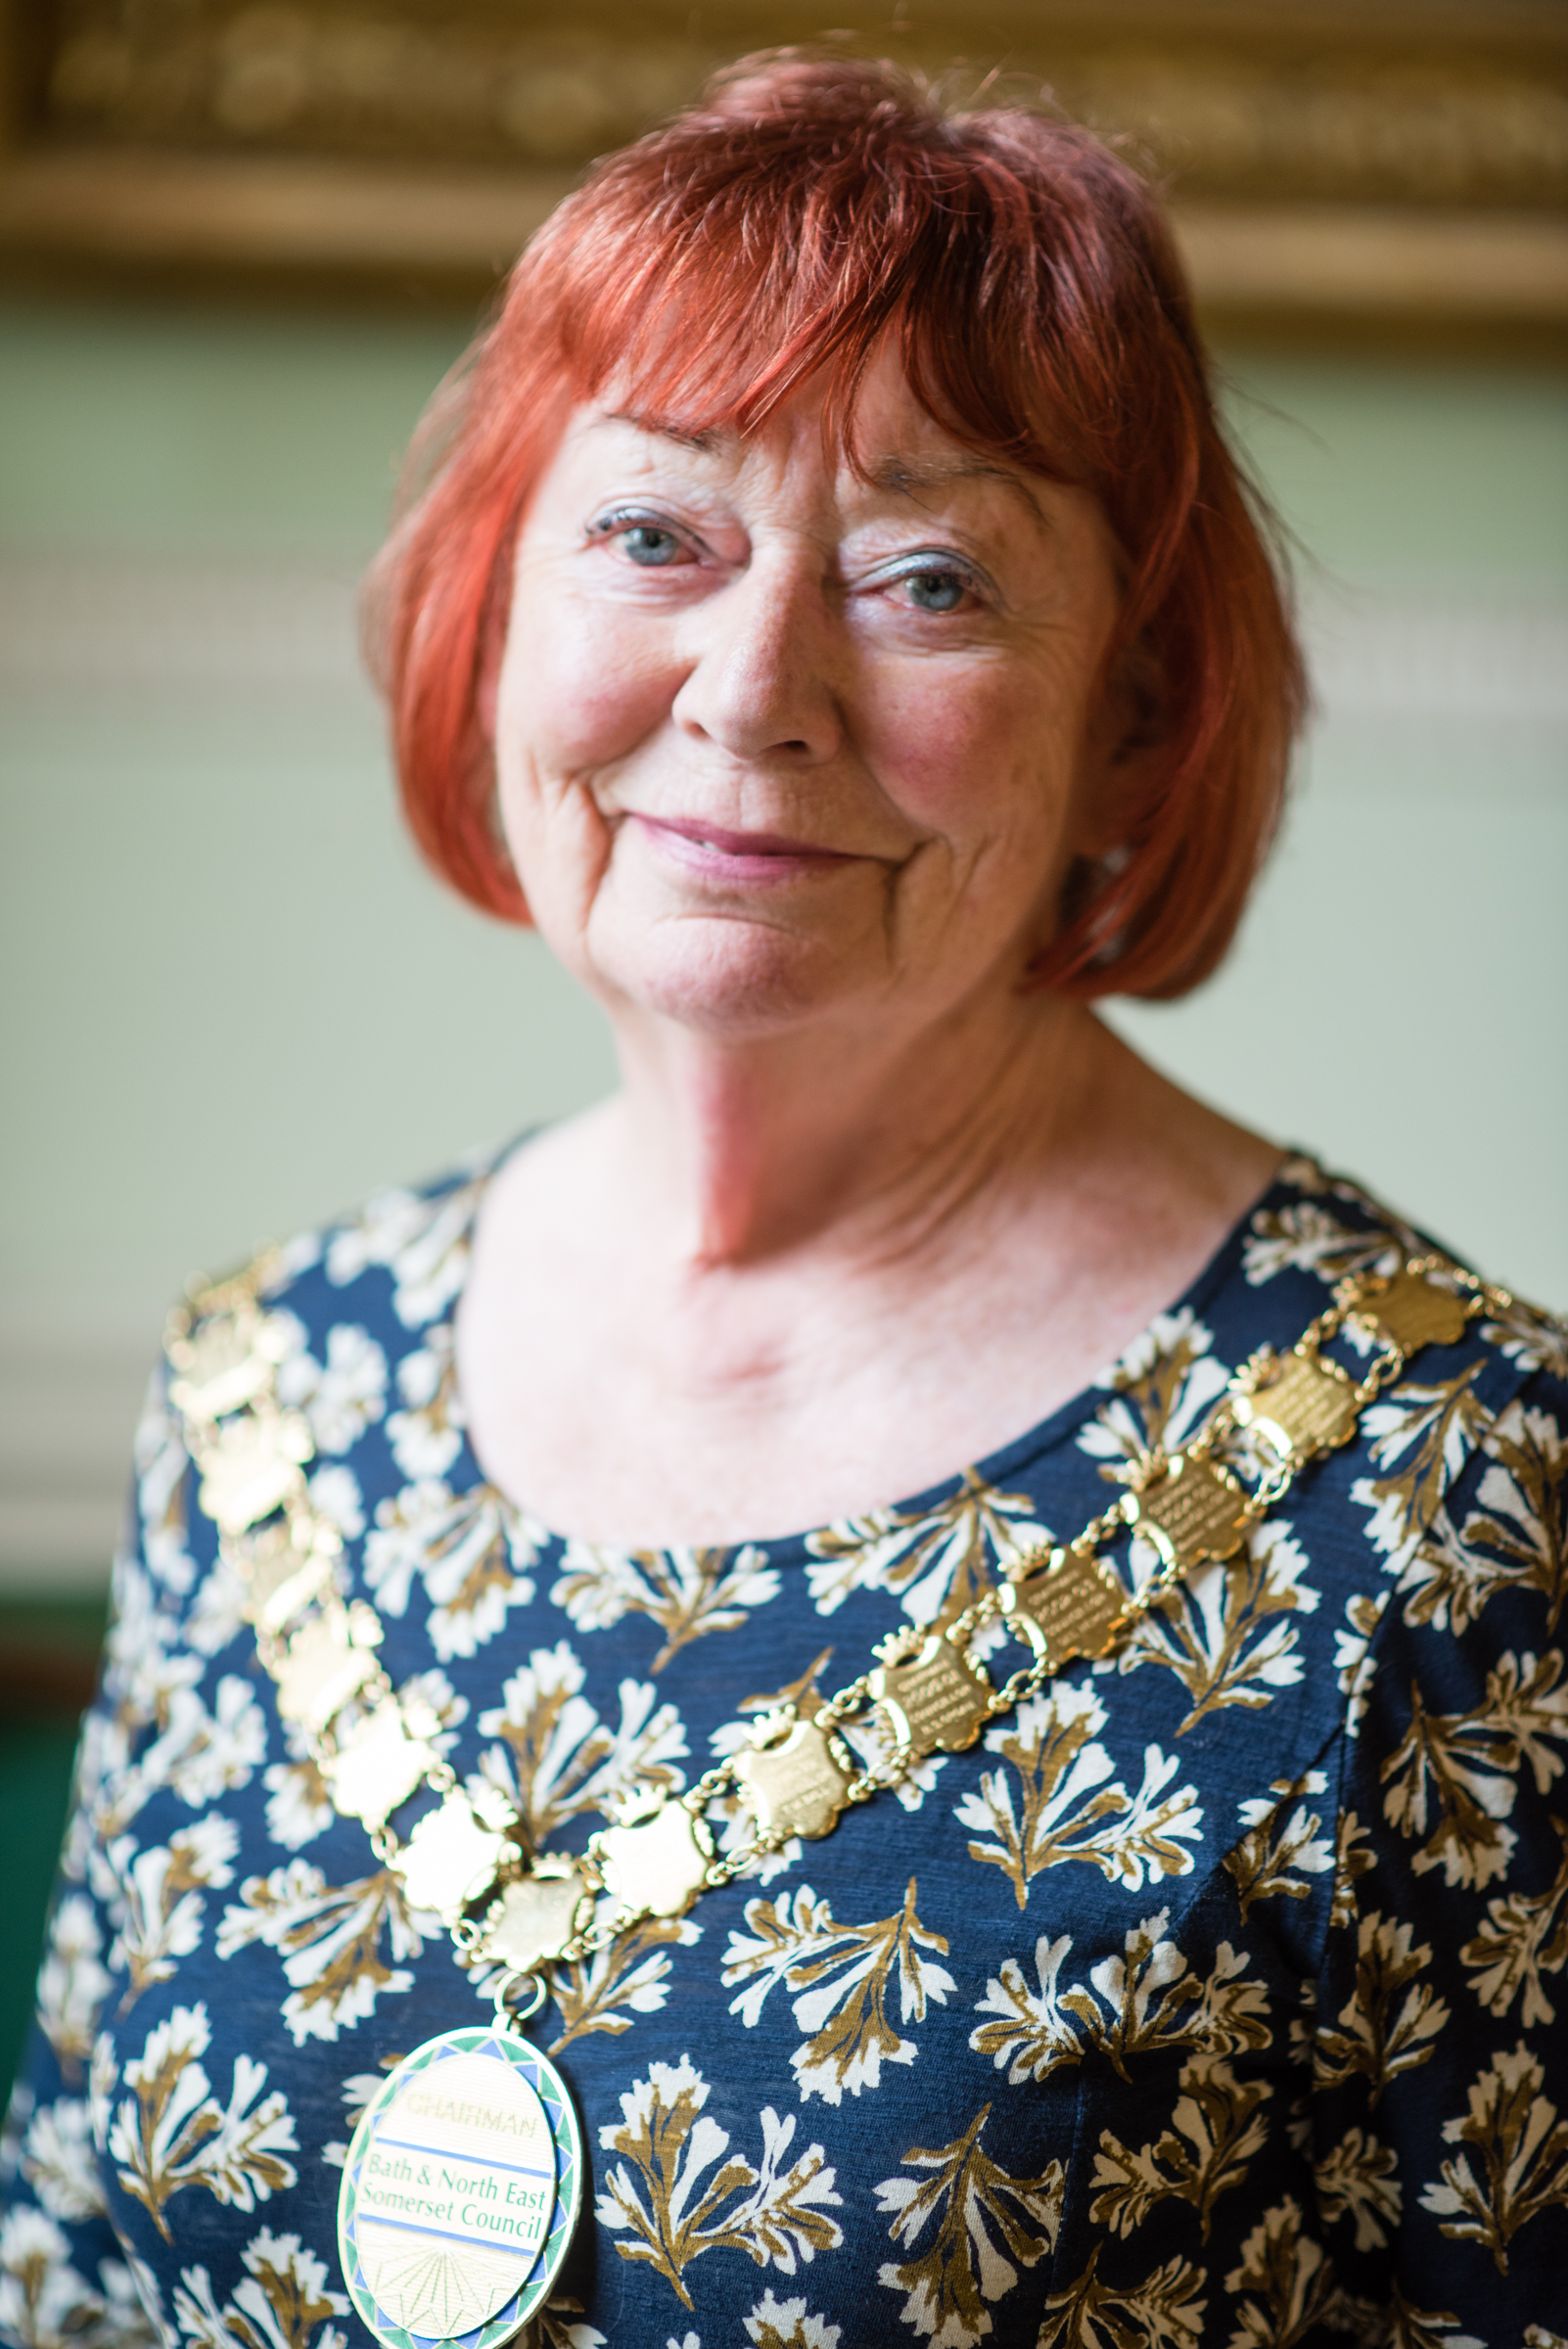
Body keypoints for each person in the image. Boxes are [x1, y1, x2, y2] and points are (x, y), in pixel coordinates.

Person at [3, 52, 1564, 2349]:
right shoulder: (268, 1389)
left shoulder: (1453, 1495)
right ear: (493, 616)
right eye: (656, 536)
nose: (754, 692)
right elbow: (71, 2270)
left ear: (1134, 717)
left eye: (929, 580)